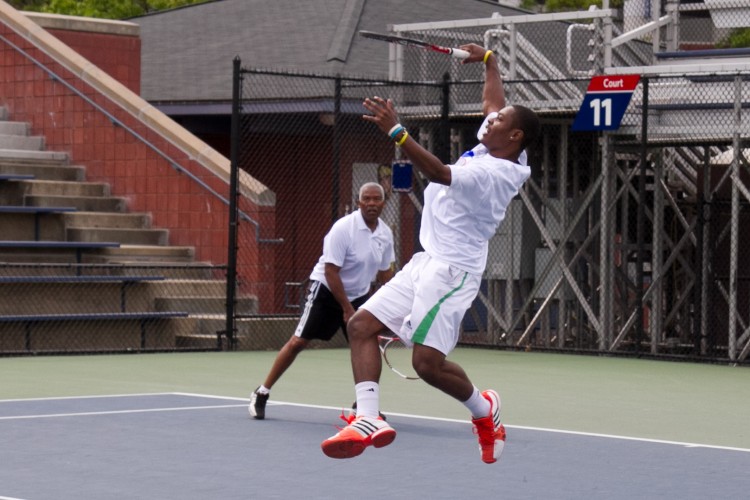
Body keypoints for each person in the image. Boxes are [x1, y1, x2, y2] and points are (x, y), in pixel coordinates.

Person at [320, 44, 541, 463]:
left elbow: (438, 172)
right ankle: (367, 418)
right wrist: (490, 61)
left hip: (452, 272)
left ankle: (484, 410)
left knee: (426, 364)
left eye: (499, 121)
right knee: (361, 325)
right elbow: (494, 102)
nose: (490, 119)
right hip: (426, 261)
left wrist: (397, 132)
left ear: (514, 137)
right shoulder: (498, 144)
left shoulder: (494, 173)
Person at [249, 182, 395, 419]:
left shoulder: (385, 234)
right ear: (358, 203)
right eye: (366, 199)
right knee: (298, 342)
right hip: (326, 290)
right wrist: (346, 309)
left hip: (359, 295)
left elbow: (385, 271)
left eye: (376, 199)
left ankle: (364, 405)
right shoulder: (343, 229)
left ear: (384, 203)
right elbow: (331, 271)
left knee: (367, 348)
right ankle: (262, 392)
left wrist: (394, 302)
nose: (371, 203)